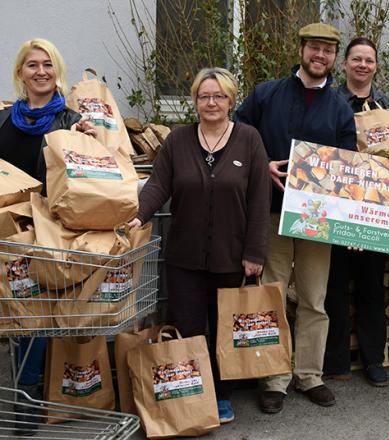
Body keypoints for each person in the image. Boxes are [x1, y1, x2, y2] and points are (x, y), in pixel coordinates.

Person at [128, 67, 271, 424]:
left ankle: (220, 395)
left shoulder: (249, 139)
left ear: (230, 100)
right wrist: (139, 216)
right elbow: (159, 186)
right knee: (187, 329)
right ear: (194, 101)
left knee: (224, 330)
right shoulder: (178, 140)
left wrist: (255, 253)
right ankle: (193, 395)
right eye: (204, 96)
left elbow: (258, 200)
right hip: (184, 258)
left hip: (231, 256)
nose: (211, 102)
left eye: (219, 96)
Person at [235, 22, 356, 413]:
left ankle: (308, 374)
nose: (320, 56)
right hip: (271, 210)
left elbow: (348, 167)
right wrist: (261, 165)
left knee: (314, 299)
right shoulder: (266, 94)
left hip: (319, 219)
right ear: (301, 50)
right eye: (314, 48)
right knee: (271, 294)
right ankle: (273, 378)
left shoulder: (340, 107)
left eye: (327, 50)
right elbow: (237, 137)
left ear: (334, 57)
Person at [0, 38, 94, 436]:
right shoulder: (3, 122)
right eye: (32, 65)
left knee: (32, 314)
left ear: (58, 72)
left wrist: (86, 139)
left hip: (48, 231)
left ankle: (27, 395)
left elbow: (89, 175)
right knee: (15, 311)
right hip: (7, 230)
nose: (40, 72)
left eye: (47, 65)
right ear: (20, 73)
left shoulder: (70, 121)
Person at [323, 36, 389, 387]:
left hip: (376, 211)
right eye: (357, 59)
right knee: (334, 287)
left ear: (376, 65)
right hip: (338, 205)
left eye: (369, 60)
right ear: (345, 64)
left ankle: (374, 360)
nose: (363, 65)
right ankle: (336, 361)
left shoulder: (388, 106)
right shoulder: (331, 101)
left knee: (371, 288)